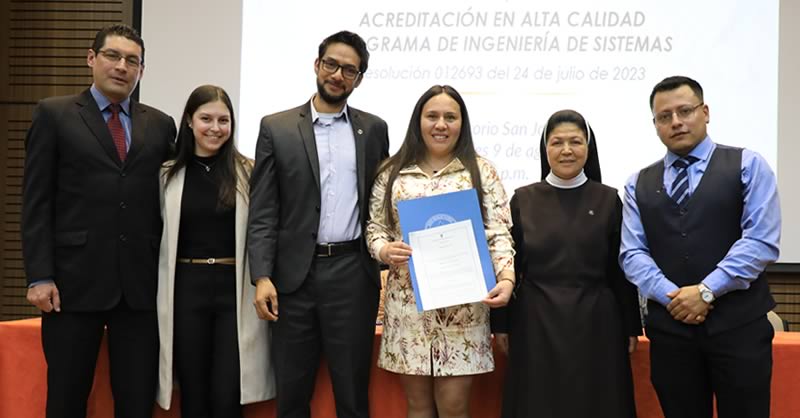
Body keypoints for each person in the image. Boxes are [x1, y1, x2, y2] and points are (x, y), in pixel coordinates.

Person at [21, 24, 176, 418]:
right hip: (71, 287)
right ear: (91, 59)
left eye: (132, 61)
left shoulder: (160, 124)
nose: (122, 66)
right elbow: (36, 201)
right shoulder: (54, 115)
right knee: (67, 399)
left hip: (139, 290)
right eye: (113, 56)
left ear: (142, 70)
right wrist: (39, 276)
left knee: (136, 403)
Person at [248, 30, 390, 418]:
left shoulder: (373, 129)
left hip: (352, 275)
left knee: (352, 393)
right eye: (331, 64)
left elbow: (382, 204)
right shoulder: (276, 128)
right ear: (316, 65)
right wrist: (261, 275)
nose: (338, 75)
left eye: (349, 70)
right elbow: (263, 209)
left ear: (358, 79)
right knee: (292, 394)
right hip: (293, 279)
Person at [620, 76, 781, 418]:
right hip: (671, 334)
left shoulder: (748, 165)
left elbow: (760, 241)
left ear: (705, 112)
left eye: (685, 111)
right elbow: (632, 253)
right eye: (665, 116)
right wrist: (674, 297)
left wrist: (706, 291)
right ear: (655, 125)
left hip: (739, 328)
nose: (676, 122)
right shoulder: (637, 183)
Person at [365, 85, 515, 418]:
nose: (441, 124)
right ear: (418, 121)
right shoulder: (392, 173)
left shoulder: (480, 171)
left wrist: (506, 278)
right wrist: (385, 250)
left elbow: (499, 232)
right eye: (432, 116)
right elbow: (374, 228)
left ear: (463, 122)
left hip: (463, 307)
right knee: (417, 407)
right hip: (408, 308)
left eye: (451, 116)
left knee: (454, 408)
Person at [492, 110, 641, 418]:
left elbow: (620, 269)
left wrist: (630, 326)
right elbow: (509, 264)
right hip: (535, 322)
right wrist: (502, 324)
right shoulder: (523, 200)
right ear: (545, 148)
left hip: (597, 323)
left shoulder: (609, 199)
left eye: (576, 141)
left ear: (589, 147)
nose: (566, 150)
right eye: (557, 142)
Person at [155, 85, 275, 417]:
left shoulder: (248, 172)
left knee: (228, 394)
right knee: (193, 392)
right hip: (186, 288)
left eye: (224, 120)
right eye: (206, 118)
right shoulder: (167, 174)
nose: (215, 127)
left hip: (233, 290)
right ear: (190, 121)